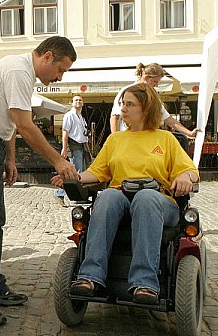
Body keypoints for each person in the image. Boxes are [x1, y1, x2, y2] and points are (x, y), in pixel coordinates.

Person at [0, 36, 79, 326]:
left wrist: (10, 158)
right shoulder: (18, 71)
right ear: (47, 56)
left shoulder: (23, 72)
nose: (59, 77)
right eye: (61, 69)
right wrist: (58, 160)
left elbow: (10, 123)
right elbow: (24, 124)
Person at [54, 83, 199, 304]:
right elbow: (98, 171)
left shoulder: (166, 139)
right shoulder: (115, 140)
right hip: (121, 197)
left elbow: (191, 171)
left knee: (145, 197)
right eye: (122, 103)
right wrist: (75, 178)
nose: (123, 109)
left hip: (158, 200)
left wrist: (185, 177)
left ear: (146, 108)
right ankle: (89, 277)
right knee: (108, 196)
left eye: (130, 104)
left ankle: (145, 283)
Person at [110, 63, 198, 138]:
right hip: (127, 138)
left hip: (146, 138)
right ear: (146, 78)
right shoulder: (127, 91)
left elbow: (168, 119)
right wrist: (115, 140)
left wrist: (189, 133)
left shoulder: (153, 96)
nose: (157, 85)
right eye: (155, 81)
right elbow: (115, 116)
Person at [55, 95, 90, 205]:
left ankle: (79, 196)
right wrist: (64, 148)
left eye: (80, 100)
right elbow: (65, 132)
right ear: (71, 103)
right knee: (75, 173)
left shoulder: (81, 117)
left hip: (82, 146)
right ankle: (60, 193)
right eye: (76, 100)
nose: (78, 102)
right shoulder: (69, 115)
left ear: (83, 103)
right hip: (74, 145)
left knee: (81, 173)